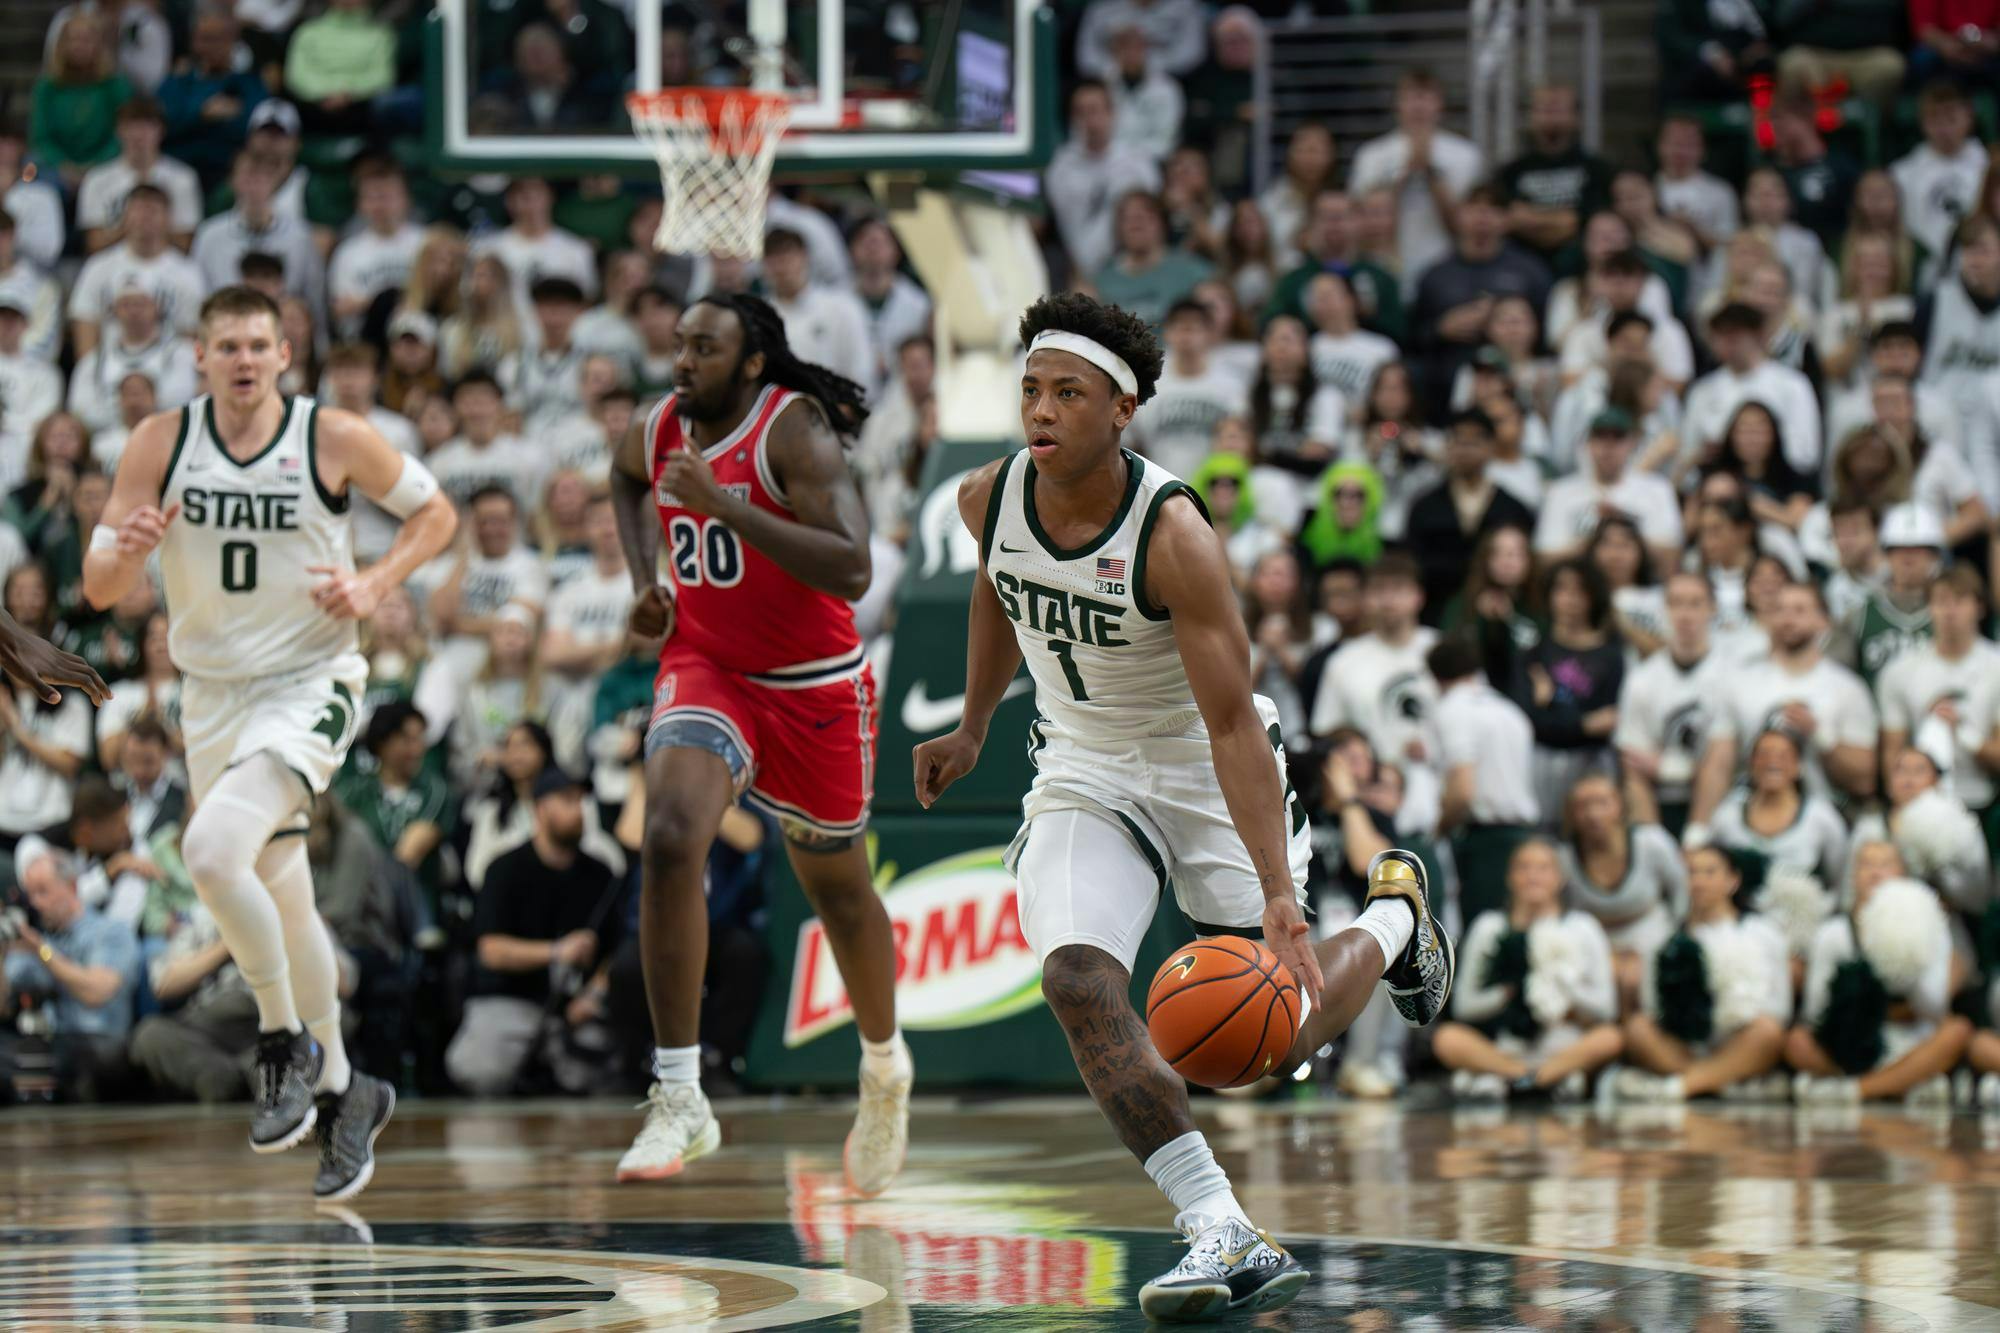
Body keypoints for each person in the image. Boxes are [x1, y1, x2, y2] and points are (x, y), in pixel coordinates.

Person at [913, 291, 1453, 1319]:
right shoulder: (986, 497)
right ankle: (1218, 1226)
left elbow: (1231, 728)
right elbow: (998, 584)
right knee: (1076, 978)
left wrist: (1276, 897)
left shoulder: (1173, 534)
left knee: (1268, 1042)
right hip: (1081, 761)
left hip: (1203, 763)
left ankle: (1392, 920)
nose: (1041, 410)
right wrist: (976, 722)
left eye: (1067, 393)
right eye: (1030, 389)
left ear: (1121, 410)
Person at [82, 285, 457, 1199]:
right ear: (199, 355)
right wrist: (125, 552)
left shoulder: (332, 435)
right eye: (227, 346)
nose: (245, 360)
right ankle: (345, 1090)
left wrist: (378, 580)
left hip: (309, 684)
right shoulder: (159, 443)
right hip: (211, 698)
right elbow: (97, 587)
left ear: (285, 354)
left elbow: (436, 514)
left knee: (210, 850)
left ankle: (284, 1040)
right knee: (284, 896)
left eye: (260, 344)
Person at [607, 292, 910, 1194]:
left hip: (814, 684)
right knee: (668, 838)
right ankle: (679, 1094)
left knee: (840, 893)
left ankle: (884, 1063)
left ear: (749, 362)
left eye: (705, 347)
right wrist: (645, 579)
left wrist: (725, 508)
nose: (683, 359)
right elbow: (625, 480)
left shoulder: (795, 431)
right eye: (679, 342)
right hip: (707, 666)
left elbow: (853, 567)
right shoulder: (659, 426)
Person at [446, 767, 620, 1095]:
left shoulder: (600, 874)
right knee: (478, 1071)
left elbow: (617, 950)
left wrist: (594, 992)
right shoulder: (504, 869)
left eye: (581, 801)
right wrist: (557, 951)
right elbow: (491, 950)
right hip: (510, 999)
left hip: (576, 1007)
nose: (578, 810)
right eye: (567, 800)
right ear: (540, 809)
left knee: (602, 1074)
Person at [1434, 837, 1621, 1102]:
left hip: (1566, 1046)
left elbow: (1607, 1008)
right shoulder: (1490, 926)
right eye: (1523, 867)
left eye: (1543, 868)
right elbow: (1463, 1006)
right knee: (1447, 1038)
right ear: (1510, 877)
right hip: (1506, 1048)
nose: (1533, 876)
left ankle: (1527, 1077)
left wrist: (1564, 992)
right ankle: (1530, 1076)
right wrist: (1510, 993)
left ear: (1560, 878)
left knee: (1611, 1037)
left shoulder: (1583, 926)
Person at [1614, 843, 1790, 1101]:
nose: (1699, 881)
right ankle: (1718, 1082)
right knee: (1637, 1028)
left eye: (1709, 873)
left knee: (1769, 1031)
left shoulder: (1763, 933)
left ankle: (1681, 1086)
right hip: (1683, 1047)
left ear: (1733, 880)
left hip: (1742, 1039)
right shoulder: (1666, 938)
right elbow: (1652, 1005)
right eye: (1692, 873)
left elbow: (1780, 1007)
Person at [1787, 873, 1971, 1103]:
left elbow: (1934, 1007)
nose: (1875, 874)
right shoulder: (1834, 933)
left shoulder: (1930, 925)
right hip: (1849, 1041)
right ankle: (1901, 1084)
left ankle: (1858, 1089)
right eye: (1866, 864)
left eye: (1885, 864)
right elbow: (1815, 1011)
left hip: (1913, 1039)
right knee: (1796, 1040)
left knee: (1958, 1031)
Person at [0, 844, 140, 1102]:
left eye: (43, 891)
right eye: (30, 894)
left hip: (100, 1045)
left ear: (72, 887)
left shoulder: (110, 931)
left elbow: (98, 992)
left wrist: (43, 953)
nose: (35, 903)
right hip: (49, 1047)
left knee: (53, 1059)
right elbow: (4, 1007)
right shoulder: (36, 941)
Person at [1429, 633, 1538, 923]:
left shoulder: (1452, 709)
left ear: (1437, 677)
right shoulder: (1510, 711)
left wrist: (1439, 828)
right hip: (1523, 833)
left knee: (1484, 928)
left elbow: (1463, 790)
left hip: (1484, 841)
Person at [1346, 68, 1485, 296]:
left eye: (1426, 98)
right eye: (1411, 97)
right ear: (1397, 104)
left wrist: (1430, 172)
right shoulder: (1371, 155)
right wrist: (1405, 173)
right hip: (1384, 267)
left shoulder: (1466, 154)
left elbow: (1466, 224)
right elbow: (1359, 221)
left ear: (1440, 105)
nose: (1418, 107)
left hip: (1445, 263)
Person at [1558, 774, 1687, 1014]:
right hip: (1595, 936)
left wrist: (1678, 936)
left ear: (1620, 805)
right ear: (1571, 814)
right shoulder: (1563, 858)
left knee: (1635, 982)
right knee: (1607, 981)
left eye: (1602, 803)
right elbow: (1563, 914)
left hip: (1651, 929)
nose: (1593, 814)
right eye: (1583, 805)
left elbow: (1680, 891)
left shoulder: (1651, 842)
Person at [1615, 572, 1724, 834]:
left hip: (1721, 804)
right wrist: (1651, 838)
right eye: (1676, 603)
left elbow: (1726, 759)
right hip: (1660, 801)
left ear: (1712, 608)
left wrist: (1666, 767)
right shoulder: (1642, 679)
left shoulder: (1733, 673)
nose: (1685, 615)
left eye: (1695, 603)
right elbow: (1632, 761)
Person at [1401, 407, 1535, 617]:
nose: (1465, 449)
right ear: (1447, 447)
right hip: (1433, 612)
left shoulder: (1512, 508)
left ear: (1491, 447)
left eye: (1474, 442)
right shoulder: (1424, 507)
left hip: (1501, 615)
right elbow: (1412, 563)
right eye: (1458, 441)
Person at [1682, 303, 1823, 479]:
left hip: (1780, 483)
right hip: (1718, 481)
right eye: (1720, 336)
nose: (1727, 344)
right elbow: (1688, 453)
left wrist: (1763, 448)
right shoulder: (1702, 390)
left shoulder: (1793, 384)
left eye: (1734, 336)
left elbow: (1807, 454)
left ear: (1758, 336)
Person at [1533, 409, 1684, 571]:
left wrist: (1621, 525)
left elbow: (1672, 556)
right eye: (1601, 437)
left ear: (1632, 443)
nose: (1608, 447)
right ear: (1588, 443)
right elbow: (1544, 559)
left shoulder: (1658, 488)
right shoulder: (1560, 492)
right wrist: (1594, 536)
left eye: (1617, 438)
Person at [1044, 80, 1162, 280]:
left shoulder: (1138, 162)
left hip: (1130, 269)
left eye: (1095, 110)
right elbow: (1065, 224)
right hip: (1076, 270)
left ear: (1111, 113)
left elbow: (1153, 222)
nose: (1090, 120)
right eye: (1081, 113)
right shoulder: (1059, 167)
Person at [1498, 84, 1613, 262]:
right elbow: (1508, 220)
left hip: (1580, 264)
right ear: (1531, 116)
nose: (1550, 116)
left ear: (1576, 116)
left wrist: (1530, 218)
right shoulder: (1510, 172)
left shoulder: (1597, 170)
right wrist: (1560, 219)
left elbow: (1582, 222)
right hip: (1521, 264)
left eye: (1557, 109)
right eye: (1544, 109)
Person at [1891, 82, 1989, 289]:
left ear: (1969, 117)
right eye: (1935, 119)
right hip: (1926, 274)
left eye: (1951, 119)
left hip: (1985, 267)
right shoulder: (1902, 173)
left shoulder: (1989, 165)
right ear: (1922, 122)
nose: (1944, 129)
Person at [75, 96, 201, 252]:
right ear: (118, 131)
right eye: (130, 127)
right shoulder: (97, 179)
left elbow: (185, 244)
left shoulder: (183, 178)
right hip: (113, 266)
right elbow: (93, 244)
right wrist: (132, 224)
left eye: (146, 127)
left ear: (161, 131)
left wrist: (149, 225)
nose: (138, 135)